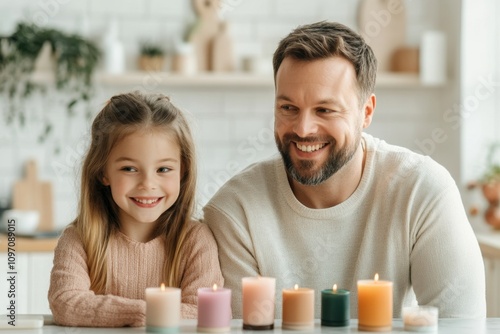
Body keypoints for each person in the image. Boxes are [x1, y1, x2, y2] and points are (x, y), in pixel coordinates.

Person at [204, 21, 486, 319]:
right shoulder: (235, 210)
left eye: (325, 110)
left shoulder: (422, 189)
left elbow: (461, 325)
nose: (303, 128)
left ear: (366, 112)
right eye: (288, 108)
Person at [49, 91, 223, 327]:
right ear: (102, 172)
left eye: (163, 170)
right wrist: (143, 313)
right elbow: (66, 303)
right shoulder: (79, 239)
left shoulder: (195, 241)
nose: (147, 184)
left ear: (183, 171)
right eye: (129, 169)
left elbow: (203, 312)